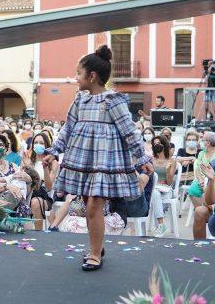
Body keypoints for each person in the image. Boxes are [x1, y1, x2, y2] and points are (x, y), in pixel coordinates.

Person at [43, 45, 153, 271]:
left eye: (78, 73)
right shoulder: (80, 100)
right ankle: (97, 246)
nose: (75, 78)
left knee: (94, 206)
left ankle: (94, 253)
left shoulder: (113, 101)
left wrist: (142, 158)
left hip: (105, 162)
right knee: (87, 204)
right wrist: (53, 151)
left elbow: (129, 130)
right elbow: (68, 129)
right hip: (82, 162)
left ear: (91, 76)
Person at [23, 132, 59, 230]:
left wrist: (45, 168)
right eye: (36, 142)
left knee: (35, 202)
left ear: (47, 145)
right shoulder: (28, 161)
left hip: (45, 196)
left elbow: (48, 187)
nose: (38, 145)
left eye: (42, 143)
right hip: (28, 194)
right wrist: (26, 167)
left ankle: (38, 232)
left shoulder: (53, 163)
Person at [49, 194, 125, 235]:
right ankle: (53, 227)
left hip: (106, 215)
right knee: (69, 199)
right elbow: (59, 194)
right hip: (80, 215)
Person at [149, 135, 176, 237]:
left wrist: (168, 170)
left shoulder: (172, 161)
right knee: (155, 194)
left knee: (157, 198)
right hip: (154, 189)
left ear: (164, 145)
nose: (157, 145)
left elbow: (169, 183)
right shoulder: (151, 160)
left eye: (158, 143)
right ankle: (161, 224)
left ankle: (160, 225)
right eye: (155, 144)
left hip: (166, 189)